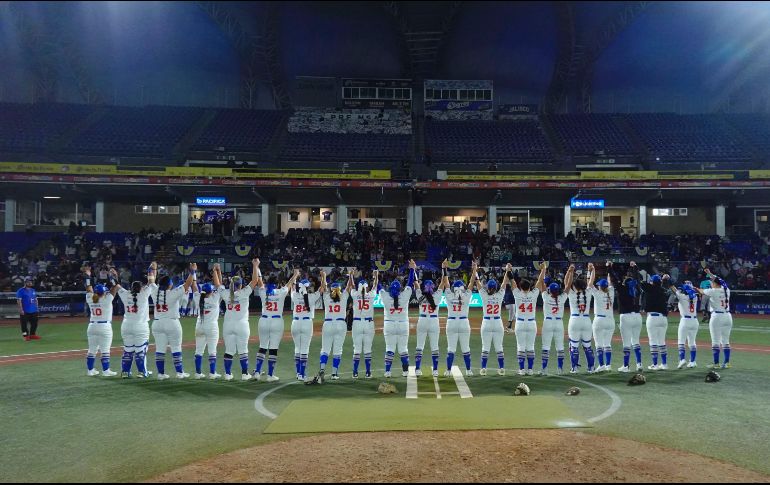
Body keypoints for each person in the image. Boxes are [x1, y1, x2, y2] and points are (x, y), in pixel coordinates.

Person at [253, 262, 298, 382]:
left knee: (262, 346)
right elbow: (289, 285)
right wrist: (295, 275)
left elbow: (259, 281)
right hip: (277, 321)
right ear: (277, 283)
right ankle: (270, 375)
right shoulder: (280, 292)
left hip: (264, 320)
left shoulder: (264, 291)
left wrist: (257, 268)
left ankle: (257, 372)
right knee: (273, 348)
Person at [152, 264, 196, 380]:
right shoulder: (172, 293)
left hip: (157, 323)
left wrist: (153, 269)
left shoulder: (154, 292)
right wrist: (192, 272)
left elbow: (151, 279)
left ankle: (161, 374)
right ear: (169, 285)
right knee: (176, 348)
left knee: (160, 349)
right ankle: (179, 373)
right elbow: (187, 285)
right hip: (171, 323)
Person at [115, 262, 157, 378]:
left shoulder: (126, 294)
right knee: (140, 351)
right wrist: (151, 269)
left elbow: (117, 286)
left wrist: (114, 276)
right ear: (141, 288)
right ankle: (142, 372)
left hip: (126, 325)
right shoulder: (143, 294)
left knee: (128, 350)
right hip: (140, 326)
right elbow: (151, 282)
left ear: (131, 288)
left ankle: (125, 372)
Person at [222, 258, 261, 381]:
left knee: (229, 350)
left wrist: (217, 270)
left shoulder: (226, 293)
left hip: (227, 325)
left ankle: (227, 374)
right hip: (242, 325)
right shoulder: (244, 292)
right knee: (243, 350)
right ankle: (244, 374)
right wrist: (255, 266)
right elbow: (255, 280)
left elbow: (217, 285)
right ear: (241, 285)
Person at [314, 270, 353, 382]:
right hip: (341, 324)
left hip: (328, 324)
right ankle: (334, 373)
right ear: (340, 290)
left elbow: (323, 287)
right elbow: (349, 286)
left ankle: (322, 369)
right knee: (338, 350)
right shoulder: (344, 296)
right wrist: (350, 275)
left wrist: (324, 276)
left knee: (325, 349)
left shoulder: (327, 297)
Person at [379, 261, 416, 378]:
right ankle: (405, 372)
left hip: (389, 325)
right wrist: (412, 269)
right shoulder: (404, 296)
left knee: (389, 349)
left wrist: (376, 276)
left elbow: (378, 286)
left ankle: (387, 372)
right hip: (403, 325)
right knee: (403, 349)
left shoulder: (385, 297)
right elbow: (410, 284)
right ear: (400, 288)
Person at [474, 262, 511, 376]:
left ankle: (483, 369)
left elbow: (477, 282)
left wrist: (475, 270)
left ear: (488, 287)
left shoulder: (484, 295)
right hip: (497, 322)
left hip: (486, 322)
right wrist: (507, 270)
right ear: (495, 288)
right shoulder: (499, 295)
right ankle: (501, 369)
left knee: (485, 347)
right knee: (499, 347)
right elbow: (505, 282)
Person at [441, 262, 477, 377]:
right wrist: (474, 269)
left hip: (451, 322)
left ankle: (448, 371)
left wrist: (444, 268)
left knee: (451, 348)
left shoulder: (450, 296)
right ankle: (468, 370)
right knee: (466, 348)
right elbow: (472, 282)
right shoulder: (466, 296)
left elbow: (446, 282)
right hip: (463, 322)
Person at [83, 267, 120, 377]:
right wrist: (113, 275)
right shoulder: (106, 299)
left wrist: (88, 275)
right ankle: (106, 371)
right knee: (105, 350)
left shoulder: (90, 298)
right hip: (104, 326)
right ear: (104, 292)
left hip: (92, 326)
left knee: (92, 350)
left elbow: (88, 286)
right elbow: (116, 286)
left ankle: (90, 370)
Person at [413, 263, 447, 377]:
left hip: (422, 321)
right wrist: (443, 268)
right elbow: (443, 282)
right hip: (433, 322)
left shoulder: (420, 296)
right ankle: (435, 370)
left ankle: (417, 369)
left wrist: (414, 269)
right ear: (433, 287)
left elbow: (415, 283)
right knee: (435, 347)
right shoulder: (437, 295)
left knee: (419, 346)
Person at [191, 263, 223, 380]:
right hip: (212, 327)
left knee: (198, 350)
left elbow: (194, 285)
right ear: (211, 291)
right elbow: (219, 285)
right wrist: (217, 271)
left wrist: (193, 272)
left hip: (199, 325)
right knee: (212, 351)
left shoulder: (198, 298)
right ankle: (212, 373)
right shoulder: (215, 298)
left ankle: (198, 373)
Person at [511, 265, 544, 376]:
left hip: (520, 323)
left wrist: (508, 270)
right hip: (531, 323)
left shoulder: (517, 294)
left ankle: (521, 370)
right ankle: (530, 370)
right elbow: (539, 281)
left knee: (520, 346)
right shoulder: (533, 294)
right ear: (530, 287)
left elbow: (512, 281)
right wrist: (543, 269)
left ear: (521, 287)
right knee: (530, 347)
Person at [697, 268, 733, 369]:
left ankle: (716, 363)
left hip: (717, 316)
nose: (711, 283)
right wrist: (710, 274)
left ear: (715, 284)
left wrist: (693, 288)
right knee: (726, 341)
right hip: (728, 316)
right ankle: (727, 363)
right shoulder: (727, 290)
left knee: (715, 341)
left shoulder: (713, 291)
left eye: (712, 282)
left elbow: (700, 291)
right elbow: (720, 281)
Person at [536, 264, 568, 376]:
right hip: (559, 323)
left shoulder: (546, 297)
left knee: (546, 347)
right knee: (560, 347)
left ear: (550, 290)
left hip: (548, 323)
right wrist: (570, 272)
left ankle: (544, 369)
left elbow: (541, 283)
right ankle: (560, 369)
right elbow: (568, 286)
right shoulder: (562, 298)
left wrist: (543, 269)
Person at [291, 270, 322, 381]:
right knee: (304, 348)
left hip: (295, 323)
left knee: (297, 348)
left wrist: (295, 276)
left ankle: (298, 373)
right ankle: (302, 374)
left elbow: (292, 286)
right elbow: (321, 289)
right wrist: (323, 277)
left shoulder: (294, 295)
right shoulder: (312, 297)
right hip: (307, 323)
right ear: (308, 287)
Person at [565, 264, 596, 374]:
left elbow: (566, 283)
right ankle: (591, 368)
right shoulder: (588, 293)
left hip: (574, 321)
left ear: (575, 286)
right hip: (586, 321)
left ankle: (575, 368)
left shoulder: (572, 294)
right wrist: (592, 270)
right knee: (588, 347)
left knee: (574, 346)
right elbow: (591, 281)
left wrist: (570, 271)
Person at [613, 262, 643, 372]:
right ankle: (639, 364)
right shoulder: (637, 289)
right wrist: (634, 267)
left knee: (626, 343)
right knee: (636, 341)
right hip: (637, 317)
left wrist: (609, 268)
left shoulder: (622, 289)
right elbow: (637, 279)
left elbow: (614, 280)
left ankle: (626, 366)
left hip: (626, 317)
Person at [587, 262, 615, 373]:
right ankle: (608, 365)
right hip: (610, 320)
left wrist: (591, 270)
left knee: (599, 344)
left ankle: (602, 365)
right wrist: (609, 268)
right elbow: (610, 281)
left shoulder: (597, 293)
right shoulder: (611, 292)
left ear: (600, 286)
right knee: (607, 344)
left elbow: (589, 284)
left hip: (599, 320)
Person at [350, 270, 378, 379]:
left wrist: (351, 275)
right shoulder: (370, 295)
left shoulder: (355, 294)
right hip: (368, 323)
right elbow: (375, 286)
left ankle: (355, 372)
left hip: (357, 323)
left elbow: (352, 285)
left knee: (356, 349)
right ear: (366, 288)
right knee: (367, 349)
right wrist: (376, 276)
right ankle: (368, 372)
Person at [641, 273, 671, 371]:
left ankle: (655, 364)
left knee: (653, 341)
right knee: (662, 341)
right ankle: (664, 364)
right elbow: (662, 287)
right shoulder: (663, 290)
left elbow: (640, 282)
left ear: (652, 282)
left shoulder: (649, 288)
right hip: (663, 319)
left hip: (653, 318)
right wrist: (664, 280)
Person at [673, 280, 699, 369]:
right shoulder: (695, 297)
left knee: (681, 342)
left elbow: (674, 289)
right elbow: (689, 292)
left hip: (685, 320)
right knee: (692, 342)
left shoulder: (681, 296)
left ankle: (682, 359)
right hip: (695, 321)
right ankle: (693, 361)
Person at [17, 277, 40, 341]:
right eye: (29, 282)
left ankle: (32, 335)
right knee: (24, 325)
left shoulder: (33, 290)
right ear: (25, 282)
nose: (30, 283)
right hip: (25, 311)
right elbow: (19, 301)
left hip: (34, 310)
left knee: (34, 323)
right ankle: (25, 336)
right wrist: (21, 309)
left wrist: (37, 308)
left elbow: (35, 299)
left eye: (31, 282)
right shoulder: (20, 291)